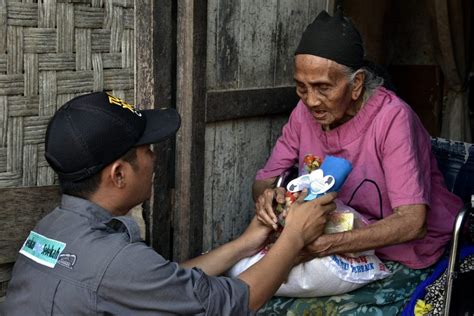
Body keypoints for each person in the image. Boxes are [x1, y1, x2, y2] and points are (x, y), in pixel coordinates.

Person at [0, 92, 336, 315]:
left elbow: (163, 283)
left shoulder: (52, 228)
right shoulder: (117, 261)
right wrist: (294, 235)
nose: (154, 158)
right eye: (146, 149)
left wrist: (246, 242)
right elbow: (238, 301)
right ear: (118, 175)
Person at [252, 8, 463, 313]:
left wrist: (325, 246)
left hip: (402, 253)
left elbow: (412, 222)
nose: (310, 100)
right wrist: (268, 196)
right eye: (302, 86)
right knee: (253, 297)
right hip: (335, 245)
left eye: (324, 87)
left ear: (357, 84)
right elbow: (264, 182)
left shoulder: (392, 119)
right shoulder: (304, 114)